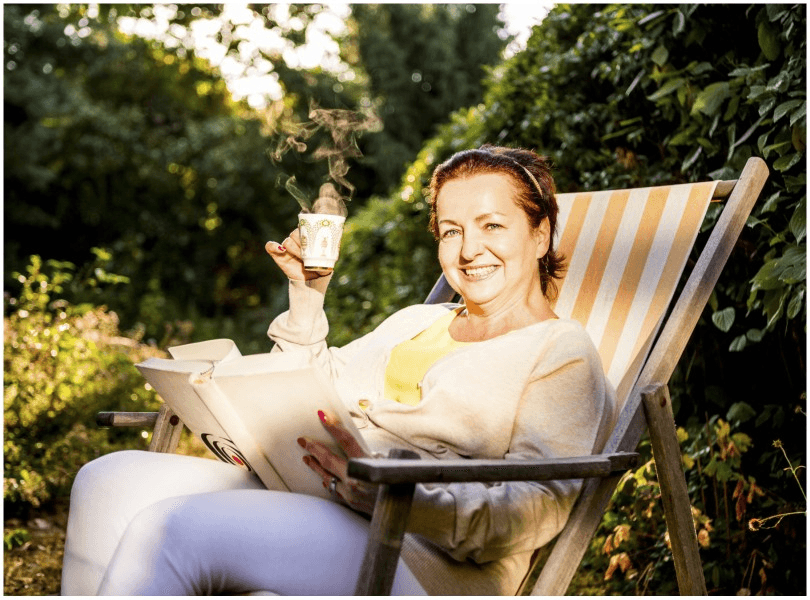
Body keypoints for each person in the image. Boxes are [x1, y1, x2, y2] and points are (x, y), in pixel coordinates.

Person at [61, 145, 616, 595]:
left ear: (540, 235)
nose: (469, 250)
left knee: (173, 532)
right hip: (325, 499)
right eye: (451, 230)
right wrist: (306, 294)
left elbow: (534, 508)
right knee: (108, 481)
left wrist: (404, 500)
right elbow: (312, 387)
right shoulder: (416, 321)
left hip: (421, 554)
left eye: (492, 225)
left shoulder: (560, 350)